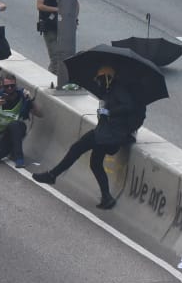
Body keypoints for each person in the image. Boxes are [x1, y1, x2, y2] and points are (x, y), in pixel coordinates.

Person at [34, 66, 146, 209]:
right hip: (108, 133)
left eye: (99, 78)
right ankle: (107, 197)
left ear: (106, 78)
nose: (97, 81)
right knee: (95, 163)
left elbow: (128, 106)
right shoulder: (110, 90)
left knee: (77, 148)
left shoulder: (118, 89)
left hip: (109, 135)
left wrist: (109, 111)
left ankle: (52, 175)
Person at [0, 71, 41, 168]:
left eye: (12, 86)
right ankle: (10, 147)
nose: (10, 88)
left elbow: (38, 114)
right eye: (7, 86)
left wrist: (31, 100)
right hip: (1, 132)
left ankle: (19, 158)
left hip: (18, 128)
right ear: (2, 86)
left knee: (14, 125)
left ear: (16, 85)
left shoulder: (22, 95)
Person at [35, 0, 62, 74]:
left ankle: (61, 77)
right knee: (55, 56)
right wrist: (57, 9)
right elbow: (40, 5)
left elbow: (75, 4)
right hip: (49, 27)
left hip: (64, 27)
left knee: (66, 56)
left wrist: (74, 17)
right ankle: (54, 77)